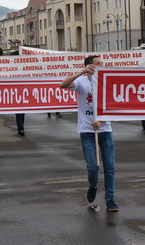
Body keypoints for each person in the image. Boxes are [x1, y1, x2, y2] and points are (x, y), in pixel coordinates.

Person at [60, 55, 119, 212]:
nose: (101, 65)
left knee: (110, 167)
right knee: (93, 167)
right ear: (89, 67)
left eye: (102, 63)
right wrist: (81, 72)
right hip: (87, 131)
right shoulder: (81, 82)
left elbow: (113, 106)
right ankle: (93, 185)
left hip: (105, 130)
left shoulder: (107, 83)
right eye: (97, 63)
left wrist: (102, 121)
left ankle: (110, 198)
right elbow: (63, 85)